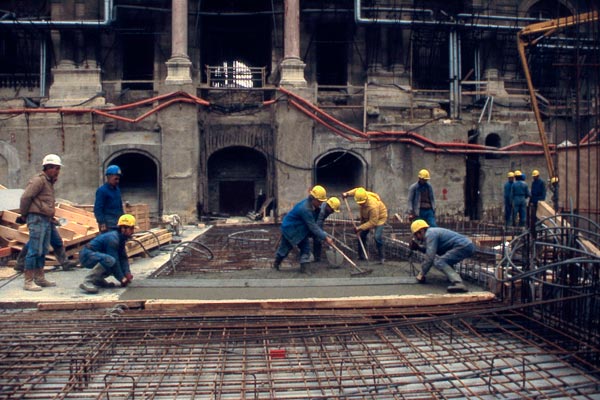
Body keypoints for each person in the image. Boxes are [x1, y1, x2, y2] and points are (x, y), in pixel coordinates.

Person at [18, 154, 63, 291]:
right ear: (48, 167)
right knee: (34, 250)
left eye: (58, 169)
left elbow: (44, 201)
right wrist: (24, 214)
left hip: (45, 219)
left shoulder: (48, 182)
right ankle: (28, 281)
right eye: (56, 168)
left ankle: (39, 277)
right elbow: (26, 197)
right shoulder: (39, 181)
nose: (57, 171)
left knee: (43, 249)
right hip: (37, 218)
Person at [273, 185, 334, 273]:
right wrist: (325, 237)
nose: (321, 204)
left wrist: (321, 235)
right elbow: (313, 226)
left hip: (301, 229)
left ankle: (304, 268)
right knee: (285, 249)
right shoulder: (305, 209)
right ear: (313, 199)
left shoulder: (314, 207)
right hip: (291, 229)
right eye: (319, 201)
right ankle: (276, 263)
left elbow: (314, 224)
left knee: (306, 249)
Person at [409, 219, 473, 293]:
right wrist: (418, 247)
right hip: (465, 245)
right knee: (444, 259)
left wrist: (422, 273)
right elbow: (430, 250)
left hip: (463, 246)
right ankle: (452, 278)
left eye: (416, 235)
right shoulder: (431, 233)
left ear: (421, 231)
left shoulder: (430, 234)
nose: (417, 238)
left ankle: (458, 283)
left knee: (439, 262)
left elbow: (430, 257)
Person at [79, 214, 136, 294]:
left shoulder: (120, 239)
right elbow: (115, 261)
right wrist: (122, 278)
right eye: (132, 228)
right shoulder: (113, 239)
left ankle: (97, 279)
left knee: (110, 261)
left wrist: (127, 273)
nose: (133, 232)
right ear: (123, 229)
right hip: (87, 255)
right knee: (110, 260)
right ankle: (88, 281)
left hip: (95, 255)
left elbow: (123, 258)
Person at [342, 187, 388, 264]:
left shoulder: (373, 206)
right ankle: (361, 256)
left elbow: (373, 222)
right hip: (367, 217)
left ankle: (382, 257)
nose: (360, 204)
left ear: (366, 199)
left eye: (362, 203)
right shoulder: (362, 194)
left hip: (379, 218)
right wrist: (347, 194)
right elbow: (356, 190)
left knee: (377, 237)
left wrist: (359, 227)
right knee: (361, 235)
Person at [94, 165, 124, 233]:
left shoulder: (117, 190)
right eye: (115, 179)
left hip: (117, 223)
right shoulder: (102, 191)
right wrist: (102, 222)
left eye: (118, 179)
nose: (117, 181)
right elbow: (98, 209)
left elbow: (120, 206)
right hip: (108, 226)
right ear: (109, 177)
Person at [312, 196, 341, 262]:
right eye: (332, 210)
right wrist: (325, 236)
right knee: (317, 239)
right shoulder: (321, 212)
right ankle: (316, 259)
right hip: (309, 225)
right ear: (329, 206)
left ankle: (317, 258)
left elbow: (320, 223)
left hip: (315, 224)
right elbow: (317, 226)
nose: (333, 212)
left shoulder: (327, 210)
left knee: (319, 237)